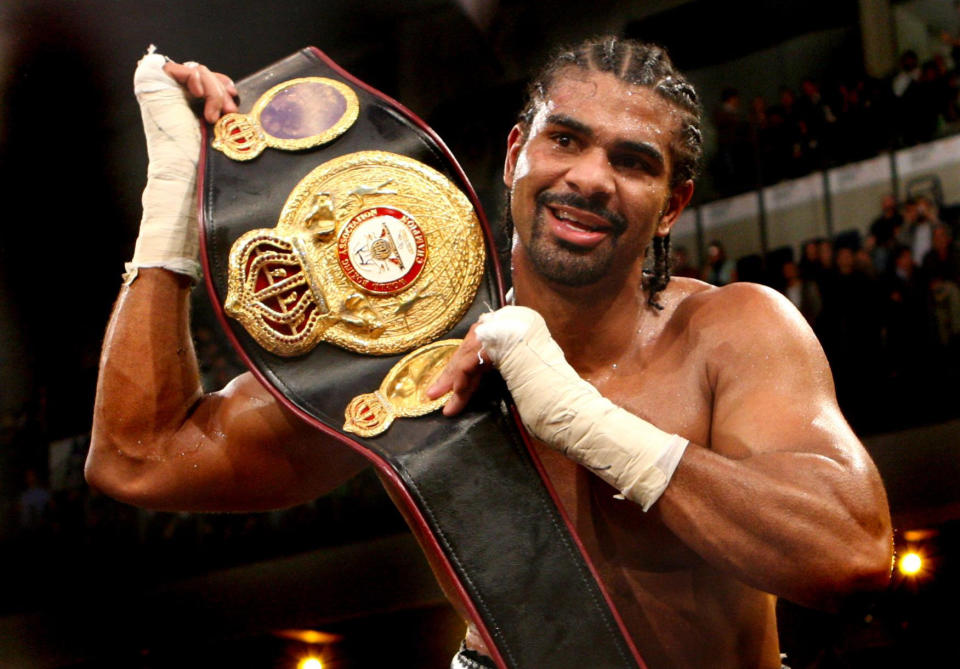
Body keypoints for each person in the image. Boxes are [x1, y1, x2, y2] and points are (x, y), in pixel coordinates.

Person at [87, 38, 893, 669]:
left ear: (674, 203)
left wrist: (583, 419)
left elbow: (851, 555)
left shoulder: (729, 331)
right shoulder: (408, 362)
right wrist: (173, 199)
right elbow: (138, 455)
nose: (590, 177)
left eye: (632, 161)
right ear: (515, 157)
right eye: (566, 141)